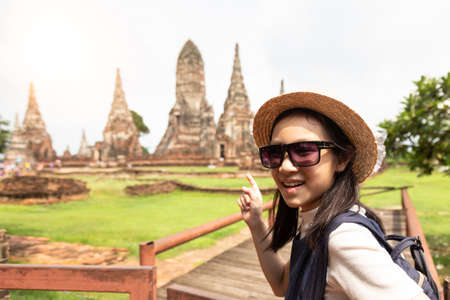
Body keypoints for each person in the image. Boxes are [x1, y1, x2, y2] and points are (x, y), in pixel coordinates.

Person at [237, 92, 430, 300]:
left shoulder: (344, 239)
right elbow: (282, 284)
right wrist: (256, 223)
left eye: (304, 151)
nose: (285, 167)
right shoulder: (318, 220)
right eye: (275, 153)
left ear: (342, 159)